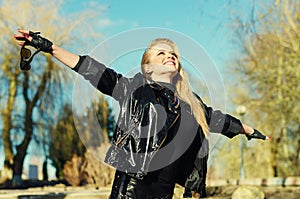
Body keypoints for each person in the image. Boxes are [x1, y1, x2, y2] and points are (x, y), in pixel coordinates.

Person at [14, 29, 269, 199]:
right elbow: (92, 69)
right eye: (162, 54)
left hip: (166, 190)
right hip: (134, 187)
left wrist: (246, 129)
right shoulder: (132, 89)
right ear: (147, 67)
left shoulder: (192, 102)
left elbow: (217, 119)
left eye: (173, 55)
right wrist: (49, 47)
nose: (170, 57)